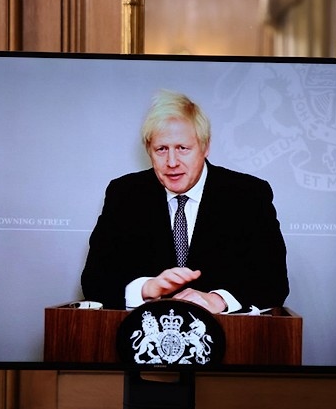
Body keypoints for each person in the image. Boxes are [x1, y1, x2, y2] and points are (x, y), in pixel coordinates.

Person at [81, 90, 288, 314]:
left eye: (182, 148)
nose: (172, 162)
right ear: (148, 150)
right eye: (161, 149)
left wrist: (218, 299)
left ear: (205, 146)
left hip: (227, 341)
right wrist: (145, 288)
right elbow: (94, 282)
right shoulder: (124, 194)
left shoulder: (248, 195)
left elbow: (274, 283)